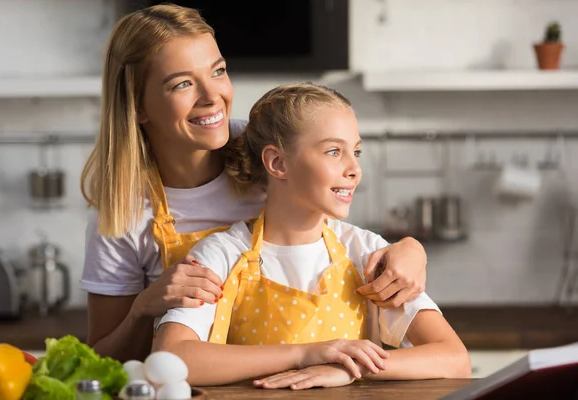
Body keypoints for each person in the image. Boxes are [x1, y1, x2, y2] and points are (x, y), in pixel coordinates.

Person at [79, 4, 429, 363]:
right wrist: (142, 309)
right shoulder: (123, 210)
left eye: (218, 71)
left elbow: (337, 233)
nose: (211, 96)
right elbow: (101, 360)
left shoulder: (267, 150)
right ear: (137, 105)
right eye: (182, 83)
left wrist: (411, 250)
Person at [152, 83, 471, 389]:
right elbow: (171, 358)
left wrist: (350, 367)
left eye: (356, 152)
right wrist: (304, 355)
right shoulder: (223, 255)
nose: (354, 169)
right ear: (278, 163)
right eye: (334, 151)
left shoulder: (366, 252)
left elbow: (454, 358)